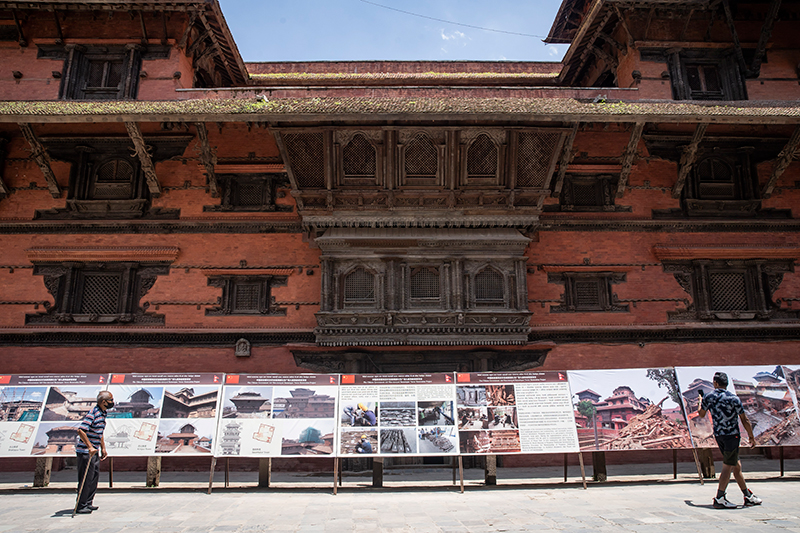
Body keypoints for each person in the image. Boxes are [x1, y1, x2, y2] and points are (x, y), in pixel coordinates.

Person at [698, 372, 762, 509]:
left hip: (719, 435)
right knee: (728, 465)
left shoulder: (709, 397)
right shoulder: (733, 398)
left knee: (735, 465)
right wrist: (751, 436)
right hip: (732, 436)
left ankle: (747, 495)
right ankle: (720, 497)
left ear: (715, 383)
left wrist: (700, 401)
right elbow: (744, 419)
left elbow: (701, 414)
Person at [75, 390, 114, 514]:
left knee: (94, 477)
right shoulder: (93, 413)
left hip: (95, 451)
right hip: (86, 452)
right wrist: (90, 447)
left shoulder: (103, 413)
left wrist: (103, 448)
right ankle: (81, 505)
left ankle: (88, 502)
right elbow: (81, 430)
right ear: (103, 402)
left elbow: (99, 432)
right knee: (86, 478)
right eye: (111, 400)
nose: (112, 402)